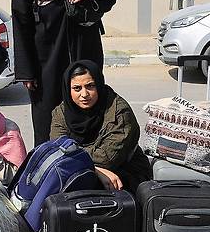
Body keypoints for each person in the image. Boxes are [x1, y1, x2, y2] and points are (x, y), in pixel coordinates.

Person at [12, 0, 118, 147]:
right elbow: (21, 27)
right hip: (46, 67)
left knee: (88, 117)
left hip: (85, 56)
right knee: (48, 125)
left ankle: (90, 167)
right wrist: (27, 72)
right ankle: (50, 174)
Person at [50, 60, 151, 193]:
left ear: (99, 84)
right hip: (85, 172)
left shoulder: (119, 112)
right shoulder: (61, 112)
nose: (84, 94)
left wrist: (79, 160)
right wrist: (98, 171)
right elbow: (58, 150)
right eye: (77, 88)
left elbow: (106, 159)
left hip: (123, 173)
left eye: (90, 86)